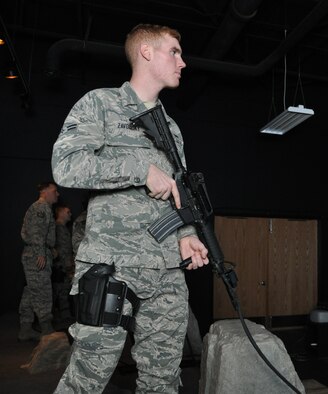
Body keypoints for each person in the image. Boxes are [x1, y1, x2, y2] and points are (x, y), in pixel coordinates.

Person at [51, 24, 209, 393]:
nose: (182, 62)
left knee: (164, 381)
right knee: (85, 381)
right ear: (146, 52)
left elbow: (178, 189)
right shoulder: (101, 104)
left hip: (167, 270)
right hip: (112, 266)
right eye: (174, 51)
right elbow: (67, 166)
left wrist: (187, 235)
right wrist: (140, 170)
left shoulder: (171, 128)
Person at [18, 181, 59, 341]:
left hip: (35, 252)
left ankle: (25, 329)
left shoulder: (43, 208)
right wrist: (41, 253)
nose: (57, 194)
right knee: (42, 291)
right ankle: (46, 328)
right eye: (54, 190)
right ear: (45, 191)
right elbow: (36, 232)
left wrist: (50, 249)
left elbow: (41, 234)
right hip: (36, 254)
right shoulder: (41, 207)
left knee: (32, 291)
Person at [52, 204, 75, 327]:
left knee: (64, 292)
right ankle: (51, 319)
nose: (70, 214)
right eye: (67, 211)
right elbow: (57, 249)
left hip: (66, 267)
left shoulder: (63, 228)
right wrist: (62, 264)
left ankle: (65, 316)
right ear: (60, 213)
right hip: (59, 266)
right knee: (56, 292)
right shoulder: (55, 228)